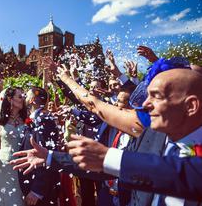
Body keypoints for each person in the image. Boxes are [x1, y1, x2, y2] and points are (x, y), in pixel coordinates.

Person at [66, 68, 202, 205]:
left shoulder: (143, 129)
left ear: (191, 105)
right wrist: (50, 157)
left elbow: (176, 172)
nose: (145, 104)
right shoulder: (154, 135)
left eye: (157, 96)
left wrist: (106, 156)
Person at [19, 87, 60, 206]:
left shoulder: (44, 119)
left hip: (41, 189)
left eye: (27, 95)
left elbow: (46, 156)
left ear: (32, 99)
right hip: (30, 182)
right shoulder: (35, 118)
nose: (24, 98)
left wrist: (37, 190)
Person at [0, 87, 27, 205]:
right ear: (10, 99)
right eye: (20, 96)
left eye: (23, 96)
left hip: (21, 165)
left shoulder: (27, 120)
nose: (23, 99)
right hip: (2, 165)